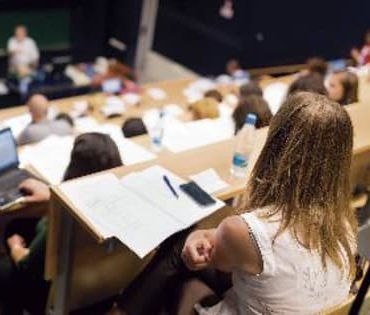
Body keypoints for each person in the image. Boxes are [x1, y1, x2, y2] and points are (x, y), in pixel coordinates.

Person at [109, 92, 357, 315]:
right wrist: (207, 236)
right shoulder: (345, 222)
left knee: (178, 254)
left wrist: (200, 239)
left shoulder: (245, 231)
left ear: (275, 146)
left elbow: (221, 255)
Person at [0, 133, 123, 315]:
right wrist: (52, 195)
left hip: (52, 291)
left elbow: (26, 267)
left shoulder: (64, 222)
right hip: (98, 285)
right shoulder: (113, 200)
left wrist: (16, 248)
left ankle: (16, 303)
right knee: (16, 226)